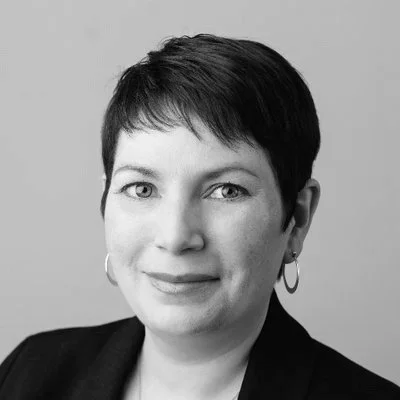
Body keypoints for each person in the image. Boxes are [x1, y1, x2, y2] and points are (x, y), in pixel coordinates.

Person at [0, 33, 399, 400]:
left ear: (298, 216)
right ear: (105, 199)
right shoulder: (29, 374)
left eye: (227, 190)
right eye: (142, 189)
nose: (175, 237)